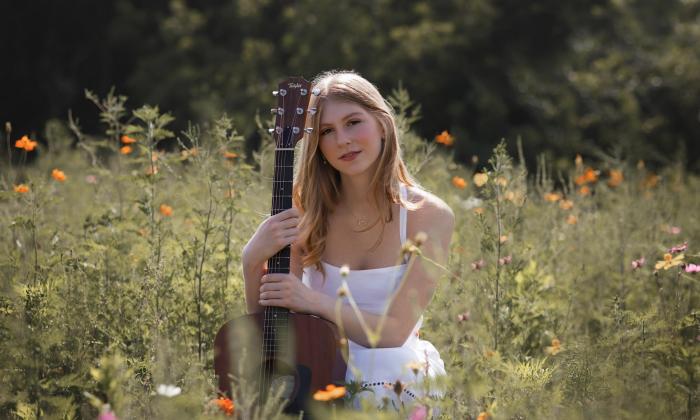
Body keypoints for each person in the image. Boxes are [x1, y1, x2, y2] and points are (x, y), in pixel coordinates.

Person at [241, 70, 454, 411]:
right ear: (317, 144)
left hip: (395, 366)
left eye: (353, 122)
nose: (342, 140)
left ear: (382, 123)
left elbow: (393, 332)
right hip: (317, 365)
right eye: (327, 131)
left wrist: (312, 302)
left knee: (384, 374)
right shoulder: (305, 212)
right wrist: (251, 261)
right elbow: (275, 335)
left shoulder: (429, 216)